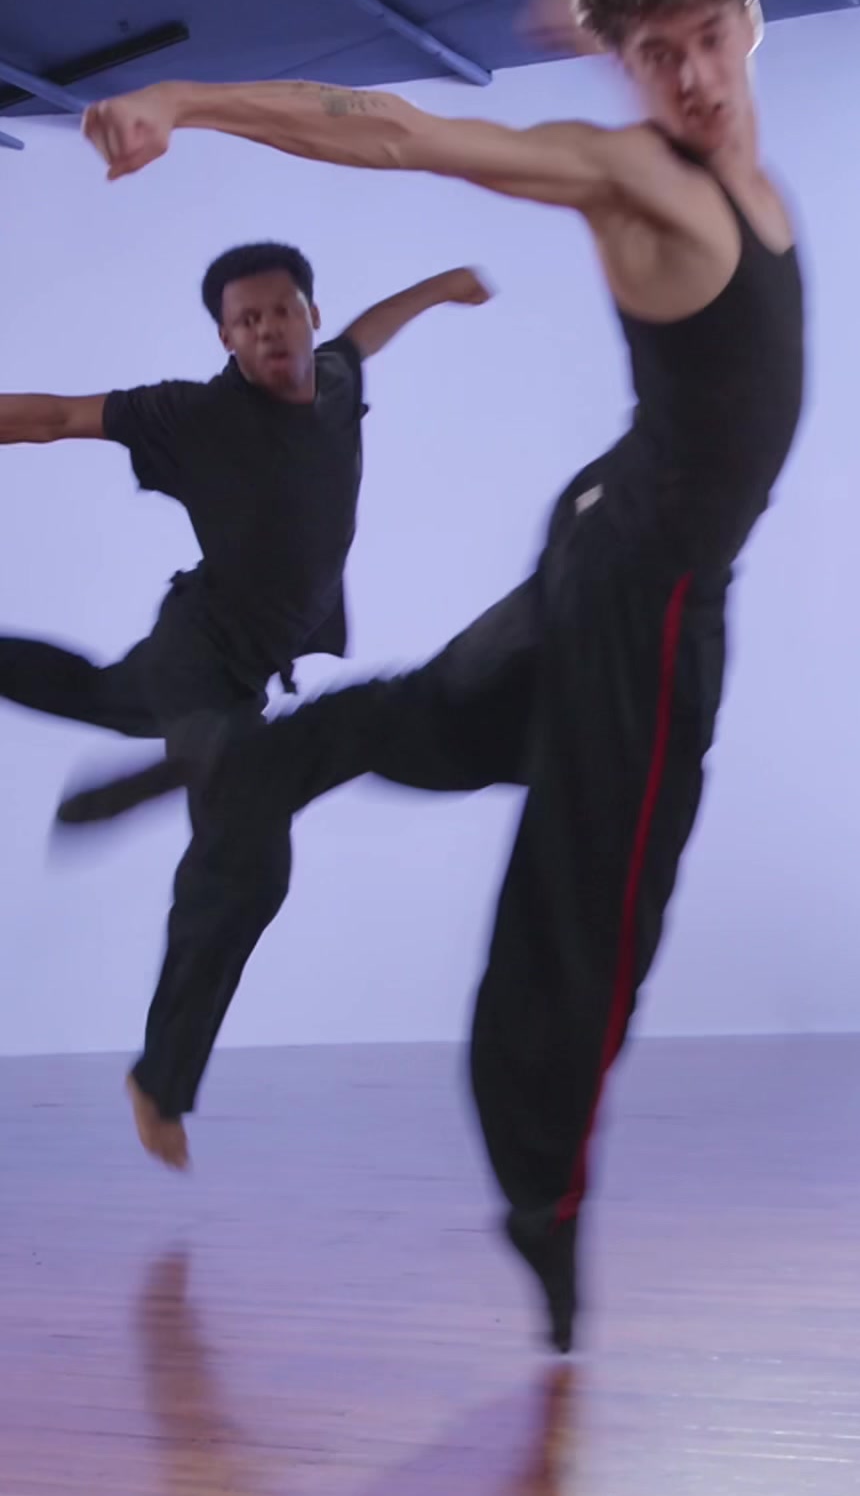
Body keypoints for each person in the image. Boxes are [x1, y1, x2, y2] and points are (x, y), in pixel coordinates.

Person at [72, 0, 805, 1348]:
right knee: (600, 901)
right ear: (628, 76)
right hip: (642, 590)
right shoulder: (637, 176)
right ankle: (546, 1200)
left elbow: (665, 35)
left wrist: (600, 23)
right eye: (656, 57)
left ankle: (251, 760)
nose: (693, 79)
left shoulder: (721, 144)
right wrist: (188, 103)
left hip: (605, 536)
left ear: (748, 27)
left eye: (707, 41)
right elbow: (396, 132)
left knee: (452, 725)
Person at [0, 244, 491, 1167]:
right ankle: (161, 1081)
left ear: (308, 314)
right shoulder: (194, 415)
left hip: (239, 672)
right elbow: (58, 415)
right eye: (246, 322)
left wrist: (441, 287)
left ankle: (189, 763)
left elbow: (369, 332)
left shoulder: (335, 379)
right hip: (198, 658)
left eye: (282, 311)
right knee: (249, 863)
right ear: (226, 340)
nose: (269, 331)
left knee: (109, 696)